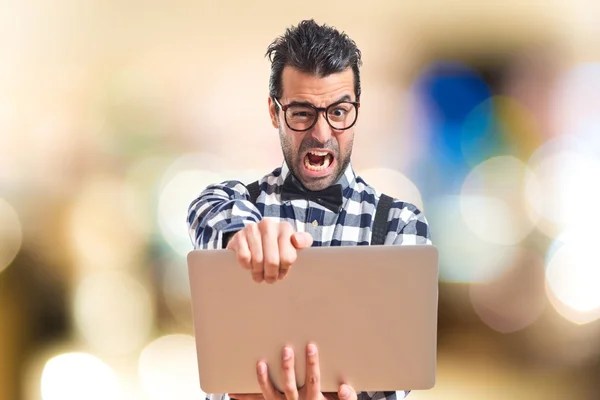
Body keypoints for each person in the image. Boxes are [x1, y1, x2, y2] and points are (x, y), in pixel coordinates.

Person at [187, 19, 432, 400]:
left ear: (357, 112)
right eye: (301, 113)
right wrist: (244, 235)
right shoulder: (240, 203)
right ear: (274, 112)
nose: (321, 133)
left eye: (338, 112)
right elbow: (205, 208)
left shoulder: (401, 224)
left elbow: (399, 374)